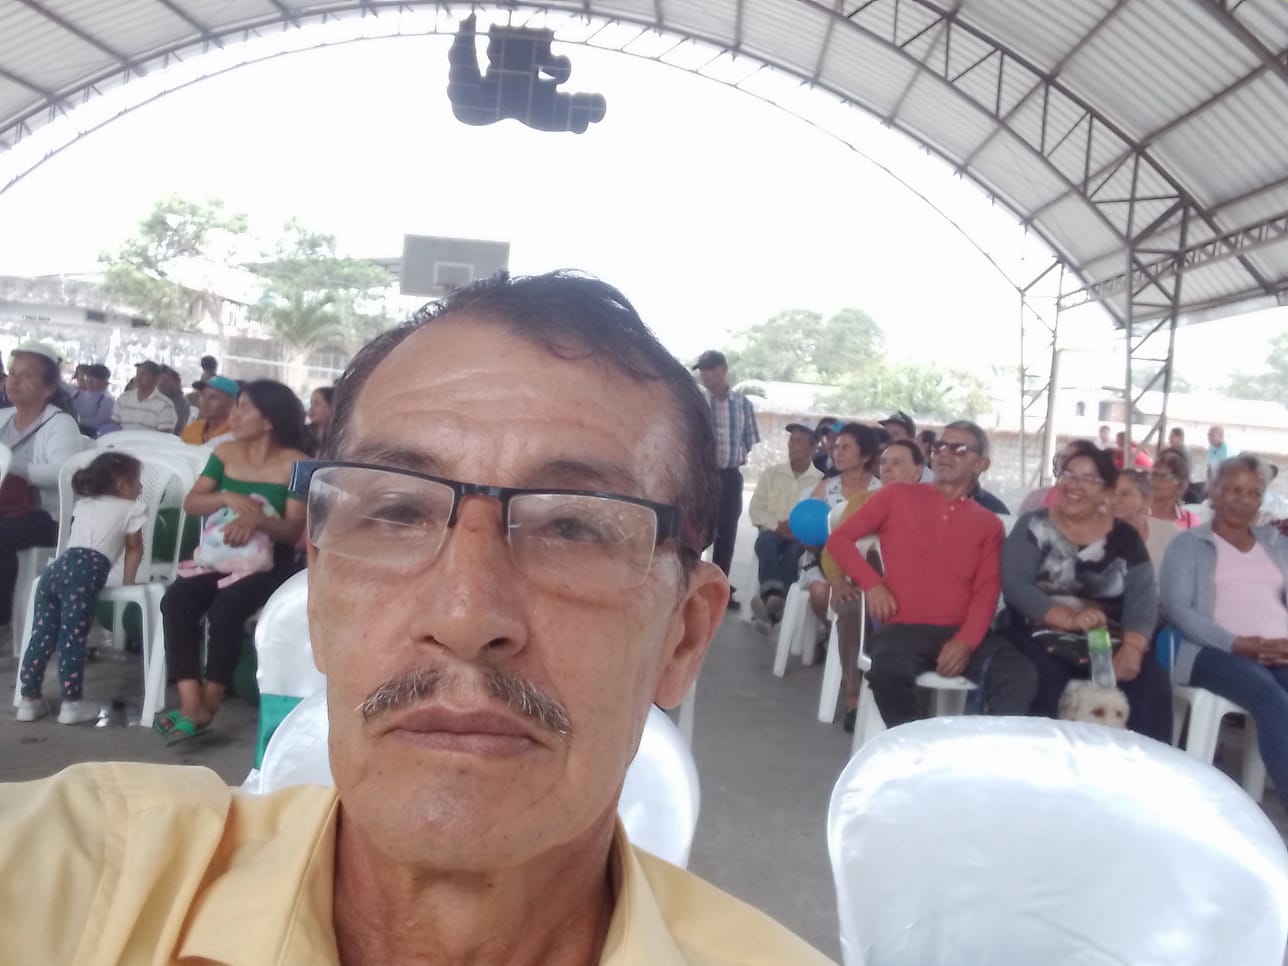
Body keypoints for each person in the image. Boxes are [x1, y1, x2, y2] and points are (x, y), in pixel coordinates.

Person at [0, 271, 831, 964]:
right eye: (397, 512)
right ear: (319, 596)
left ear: (683, 636)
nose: (465, 616)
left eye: (574, 527)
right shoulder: (90, 882)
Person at [825, 421, 1038, 728]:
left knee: (1020, 675)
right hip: (903, 630)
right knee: (887, 671)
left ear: (981, 464)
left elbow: (987, 589)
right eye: (939, 446)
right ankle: (914, 743)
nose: (945, 454)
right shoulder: (896, 496)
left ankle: (987, 747)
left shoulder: (988, 524)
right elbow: (839, 540)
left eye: (958, 449)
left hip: (961, 632)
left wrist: (966, 641)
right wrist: (872, 584)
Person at [156, 380, 309, 742]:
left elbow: (292, 530)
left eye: (243, 408)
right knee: (177, 600)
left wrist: (258, 521)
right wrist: (226, 498)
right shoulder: (224, 453)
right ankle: (191, 702)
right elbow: (193, 503)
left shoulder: (297, 464)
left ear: (269, 420)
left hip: (269, 560)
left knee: (227, 609)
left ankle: (208, 704)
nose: (233, 415)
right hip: (221, 553)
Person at [1000, 444, 1172, 742]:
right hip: (1033, 633)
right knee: (1043, 680)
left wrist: (1133, 647)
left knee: (1150, 685)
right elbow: (1016, 584)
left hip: (1107, 641)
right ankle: (1039, 760)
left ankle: (1143, 766)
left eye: (1088, 479)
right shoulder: (1035, 524)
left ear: (1106, 492)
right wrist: (1067, 618)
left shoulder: (1125, 538)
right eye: (1069, 474)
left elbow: (1143, 600)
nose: (1074, 484)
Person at [1160, 455, 1288, 809]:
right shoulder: (1188, 545)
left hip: (1279, 651)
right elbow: (1177, 608)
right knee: (1269, 696)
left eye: (1252, 493)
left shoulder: (1277, 545)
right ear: (1214, 491)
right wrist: (1238, 644)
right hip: (1213, 653)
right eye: (1233, 489)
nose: (1242, 500)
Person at [15, 452, 145, 725]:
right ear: (122, 485)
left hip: (56, 570)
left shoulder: (85, 503)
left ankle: (29, 699)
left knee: (41, 637)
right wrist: (129, 581)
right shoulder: (132, 508)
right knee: (72, 639)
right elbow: (135, 549)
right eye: (137, 481)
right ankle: (72, 704)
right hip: (84, 575)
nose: (141, 487)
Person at [0, 341, 83, 639]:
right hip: (8, 508)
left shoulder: (60, 424)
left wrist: (13, 468)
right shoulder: (3, 418)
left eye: (26, 375)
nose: (14, 381)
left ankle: (2, 622)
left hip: (49, 517)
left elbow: (65, 472)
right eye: (12, 373)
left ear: (48, 388)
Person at [807, 422, 881, 731]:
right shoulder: (830, 488)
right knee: (837, 600)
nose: (837, 452)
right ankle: (853, 697)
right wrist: (839, 579)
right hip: (834, 563)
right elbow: (825, 540)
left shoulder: (879, 491)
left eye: (846, 447)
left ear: (865, 456)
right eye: (836, 447)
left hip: (874, 574)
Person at [693, 348, 760, 609]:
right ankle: (690, 584)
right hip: (703, 476)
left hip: (731, 477)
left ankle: (718, 591)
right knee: (697, 530)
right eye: (702, 372)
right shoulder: (697, 403)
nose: (705, 376)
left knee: (727, 534)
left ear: (722, 370)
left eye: (710, 370)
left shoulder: (743, 405)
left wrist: (733, 456)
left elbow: (748, 440)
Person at [747, 422, 822, 623]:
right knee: (765, 543)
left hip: (800, 537)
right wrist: (776, 525)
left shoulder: (819, 481)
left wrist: (798, 529)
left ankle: (769, 606)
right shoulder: (771, 473)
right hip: (772, 531)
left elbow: (819, 516)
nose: (791, 445)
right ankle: (776, 600)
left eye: (798, 441)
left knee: (793, 553)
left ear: (812, 447)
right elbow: (756, 508)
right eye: (791, 440)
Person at [1111, 468, 1178, 570]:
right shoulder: (1098, 537)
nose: (1115, 500)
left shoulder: (1167, 532)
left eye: (1125, 494)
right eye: (1111, 494)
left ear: (1147, 499)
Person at [113, 360, 177, 432]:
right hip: (122, 438)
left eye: (143, 374)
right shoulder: (123, 399)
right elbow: (114, 426)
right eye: (137, 373)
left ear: (156, 379)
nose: (138, 378)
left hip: (150, 439)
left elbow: (164, 434)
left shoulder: (165, 405)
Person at [1149, 447, 1202, 530]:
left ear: (1181, 485)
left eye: (1164, 476)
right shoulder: (1135, 513)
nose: (1156, 480)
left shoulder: (1190, 522)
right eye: (1154, 474)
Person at [179, 375, 237, 446]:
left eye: (213, 397)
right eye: (203, 395)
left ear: (231, 404)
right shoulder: (191, 429)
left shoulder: (237, 433)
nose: (205, 402)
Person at [879, 410, 933, 482]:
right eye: (886, 433)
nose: (889, 438)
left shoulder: (929, 480)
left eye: (895, 434)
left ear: (911, 439)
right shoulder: (876, 473)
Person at [70, 363, 114, 436]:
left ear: (104, 381)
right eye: (88, 377)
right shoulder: (77, 394)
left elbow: (97, 423)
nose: (89, 381)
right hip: (71, 428)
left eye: (94, 378)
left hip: (91, 434)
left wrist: (73, 419)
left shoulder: (107, 399)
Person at [158, 364, 191, 433]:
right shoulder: (156, 398)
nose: (161, 383)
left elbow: (176, 427)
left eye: (165, 380)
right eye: (158, 380)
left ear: (176, 383)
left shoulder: (181, 402)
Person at [306, 385, 334, 455]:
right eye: (311, 403)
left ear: (332, 406)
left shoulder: (342, 435)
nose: (311, 409)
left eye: (317, 403)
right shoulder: (305, 433)